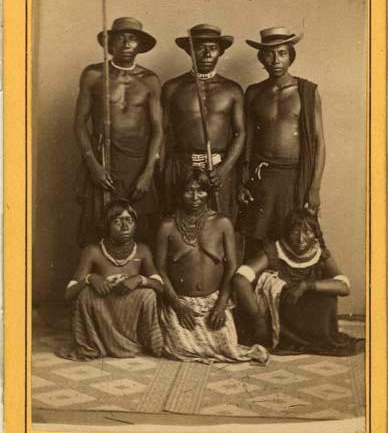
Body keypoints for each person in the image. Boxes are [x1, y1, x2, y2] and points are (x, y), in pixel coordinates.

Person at [156, 167, 268, 364]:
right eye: (189, 190)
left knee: (227, 347)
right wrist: (177, 305)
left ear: (209, 193)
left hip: (213, 301)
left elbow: (232, 266)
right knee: (179, 348)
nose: (195, 196)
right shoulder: (167, 226)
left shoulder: (222, 223)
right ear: (180, 192)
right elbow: (160, 270)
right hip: (181, 301)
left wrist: (221, 304)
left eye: (201, 190)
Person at [237, 27, 325, 260]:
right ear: (262, 58)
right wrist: (242, 180)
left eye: (282, 53)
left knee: (293, 236)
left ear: (290, 55)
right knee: (257, 240)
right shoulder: (254, 92)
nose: (276, 60)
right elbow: (246, 138)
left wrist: (314, 188)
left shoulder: (307, 91)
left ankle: (287, 293)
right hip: (262, 177)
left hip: (294, 177)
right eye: (270, 54)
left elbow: (319, 144)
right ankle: (256, 293)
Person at [74, 17, 163, 247]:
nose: (126, 43)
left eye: (132, 39)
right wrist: (94, 166)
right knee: (98, 226)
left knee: (139, 229)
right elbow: (79, 123)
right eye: (120, 38)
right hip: (103, 160)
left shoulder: (150, 80)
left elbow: (158, 130)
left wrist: (148, 173)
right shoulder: (93, 75)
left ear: (140, 46)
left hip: (137, 164)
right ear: (110, 44)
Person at [233, 208, 363, 356]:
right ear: (287, 232)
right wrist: (257, 318)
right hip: (280, 318)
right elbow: (240, 279)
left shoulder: (319, 252)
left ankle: (313, 339)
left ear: (315, 234)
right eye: (295, 232)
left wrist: (306, 285)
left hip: (305, 312)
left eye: (307, 232)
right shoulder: (275, 251)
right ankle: (290, 340)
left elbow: (344, 287)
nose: (301, 239)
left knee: (327, 299)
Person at [59, 199, 164, 360]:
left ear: (135, 223)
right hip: (104, 311)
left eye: (129, 220)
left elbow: (160, 287)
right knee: (85, 293)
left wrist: (140, 279)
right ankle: (97, 344)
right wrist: (90, 278)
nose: (125, 226)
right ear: (106, 225)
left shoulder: (142, 250)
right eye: (117, 221)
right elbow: (69, 294)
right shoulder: (93, 250)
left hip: (128, 314)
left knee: (149, 293)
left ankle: (136, 342)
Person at [161, 24, 245, 220]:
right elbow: (163, 132)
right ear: (190, 51)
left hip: (218, 169)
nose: (207, 54)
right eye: (200, 48)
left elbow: (241, 133)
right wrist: (163, 173)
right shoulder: (172, 88)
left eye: (213, 48)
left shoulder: (232, 90)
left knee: (219, 228)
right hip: (182, 169)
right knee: (181, 229)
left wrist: (224, 170)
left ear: (220, 52)